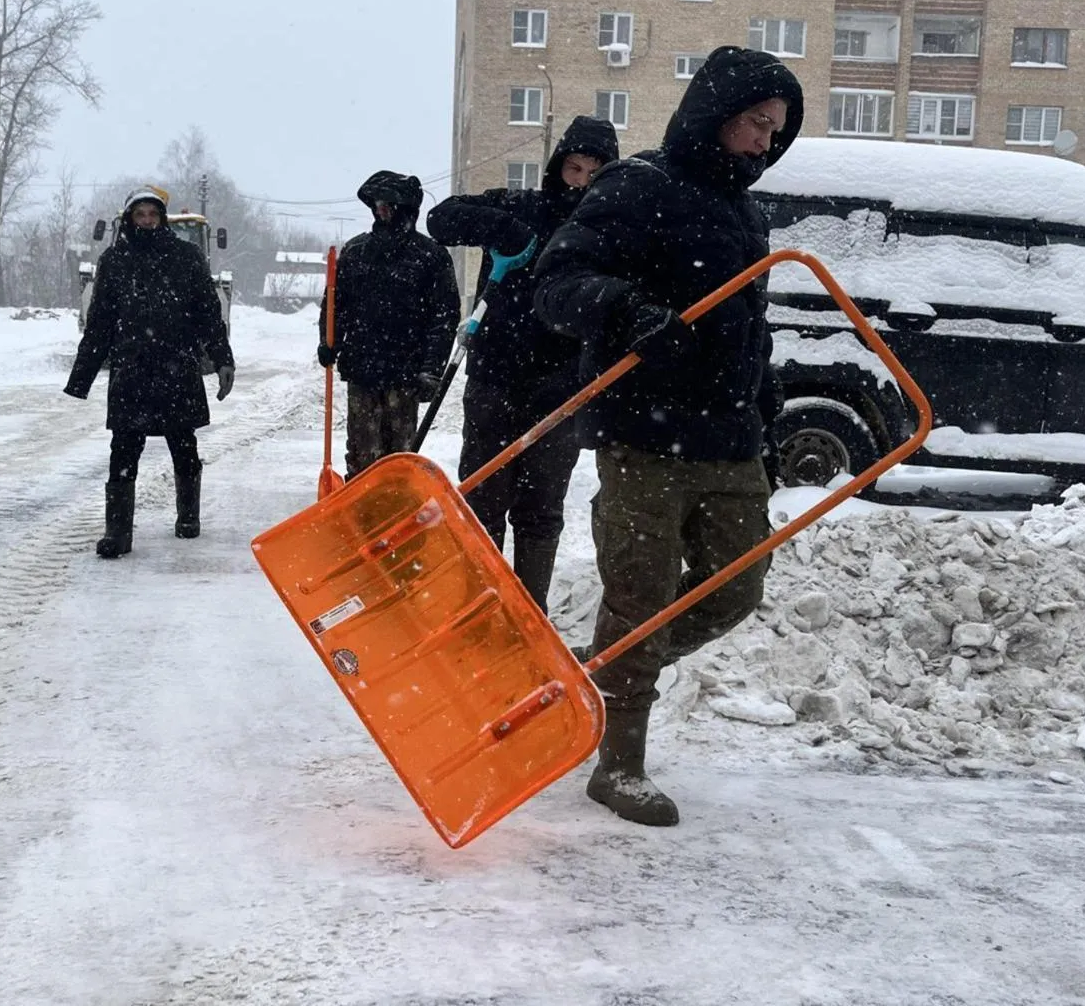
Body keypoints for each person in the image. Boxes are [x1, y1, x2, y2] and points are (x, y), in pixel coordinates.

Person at [535, 46, 803, 827]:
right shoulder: (639, 186)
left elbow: (748, 327)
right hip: (646, 435)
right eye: (756, 123)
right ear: (716, 112)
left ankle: (604, 670)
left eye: (775, 131)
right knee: (638, 595)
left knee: (734, 591)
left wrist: (767, 413)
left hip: (730, 439)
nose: (764, 141)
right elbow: (558, 283)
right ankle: (617, 764)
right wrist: (625, 311)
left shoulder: (748, 212)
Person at [425, 116, 619, 610]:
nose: (581, 181)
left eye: (595, 173)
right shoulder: (521, 207)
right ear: (558, 167)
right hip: (495, 380)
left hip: (562, 390)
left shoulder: (609, 236)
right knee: (483, 501)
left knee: (539, 510)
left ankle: (528, 615)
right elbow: (442, 219)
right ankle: (478, 608)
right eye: (575, 168)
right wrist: (501, 227)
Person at [64, 187, 236, 559]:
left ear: (161, 218)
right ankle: (118, 532)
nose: (146, 221)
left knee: (183, 445)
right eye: (139, 215)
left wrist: (223, 359)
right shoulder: (114, 261)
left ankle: (188, 518)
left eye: (151, 215)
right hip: (132, 370)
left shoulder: (187, 257)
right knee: (123, 449)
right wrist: (82, 377)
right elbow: (100, 324)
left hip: (177, 367)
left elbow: (208, 314)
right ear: (130, 219)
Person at [319, 170, 460, 478]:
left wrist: (431, 369)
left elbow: (444, 317)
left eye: (389, 205)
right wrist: (329, 342)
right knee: (361, 454)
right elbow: (335, 304)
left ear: (406, 210)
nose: (382, 211)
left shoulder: (430, 257)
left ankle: (395, 514)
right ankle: (361, 519)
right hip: (362, 370)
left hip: (405, 375)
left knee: (399, 458)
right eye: (378, 204)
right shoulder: (357, 252)